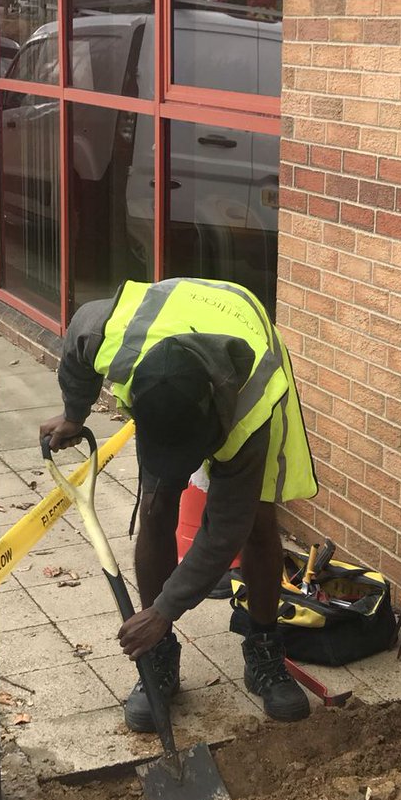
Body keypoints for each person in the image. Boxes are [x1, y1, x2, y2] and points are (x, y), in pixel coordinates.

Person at [39, 277, 318, 730]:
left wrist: (165, 610)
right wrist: (75, 413)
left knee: (258, 523)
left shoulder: (253, 404)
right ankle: (160, 657)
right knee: (156, 505)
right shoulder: (111, 339)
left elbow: (224, 528)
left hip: (246, 340)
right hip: (171, 347)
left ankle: (264, 650)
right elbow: (77, 339)